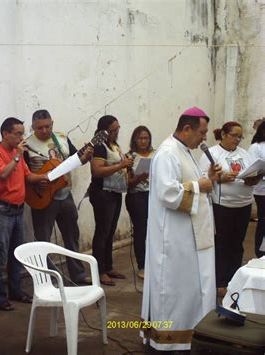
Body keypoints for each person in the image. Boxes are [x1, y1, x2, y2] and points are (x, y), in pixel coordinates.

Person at [140, 107, 222, 351]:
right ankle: (169, 340)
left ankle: (192, 334)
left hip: (190, 235)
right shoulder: (167, 153)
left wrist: (206, 179)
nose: (204, 138)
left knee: (192, 289)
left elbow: (193, 183)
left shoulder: (184, 150)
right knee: (174, 290)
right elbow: (168, 193)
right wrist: (202, 185)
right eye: (202, 132)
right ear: (187, 129)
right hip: (174, 239)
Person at [24, 109, 93, 285]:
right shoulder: (25, 145)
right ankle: (47, 278)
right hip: (42, 198)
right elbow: (22, 174)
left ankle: (77, 274)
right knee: (43, 241)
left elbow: (77, 159)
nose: (44, 131)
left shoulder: (61, 138)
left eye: (47, 126)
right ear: (32, 127)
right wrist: (36, 183)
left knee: (72, 236)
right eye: (39, 128)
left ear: (52, 123)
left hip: (65, 195)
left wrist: (86, 157)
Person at [0, 117, 48, 311]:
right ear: (6, 134)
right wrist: (16, 157)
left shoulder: (17, 153)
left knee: (16, 254)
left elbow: (27, 175)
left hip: (19, 209)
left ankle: (15, 290)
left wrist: (48, 176)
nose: (22, 138)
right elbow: (3, 174)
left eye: (23, 133)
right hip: (3, 210)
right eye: (18, 134)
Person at [199, 121, 260, 298]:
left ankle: (234, 280)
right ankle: (219, 282)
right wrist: (221, 179)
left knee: (237, 244)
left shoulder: (244, 154)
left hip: (244, 204)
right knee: (222, 244)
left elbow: (250, 171)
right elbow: (204, 178)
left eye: (240, 136)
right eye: (234, 135)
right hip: (223, 206)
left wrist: (253, 179)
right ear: (224, 135)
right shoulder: (211, 154)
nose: (238, 140)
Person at [88, 115, 133, 286]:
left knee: (110, 231)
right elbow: (97, 171)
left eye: (118, 128)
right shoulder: (99, 146)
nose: (117, 132)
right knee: (102, 232)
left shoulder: (114, 145)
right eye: (114, 130)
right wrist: (121, 165)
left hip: (115, 192)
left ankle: (108, 266)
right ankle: (99, 271)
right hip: (102, 193)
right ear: (105, 130)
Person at [125, 126, 154, 280]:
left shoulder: (156, 154)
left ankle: (153, 262)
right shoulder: (130, 156)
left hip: (153, 195)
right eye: (140, 138)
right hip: (137, 196)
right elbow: (127, 183)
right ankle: (142, 265)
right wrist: (139, 178)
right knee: (140, 230)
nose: (143, 141)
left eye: (146, 138)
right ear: (135, 139)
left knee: (154, 230)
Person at [248, 121, 265, 258]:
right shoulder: (256, 147)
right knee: (263, 220)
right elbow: (253, 168)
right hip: (262, 190)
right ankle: (260, 251)